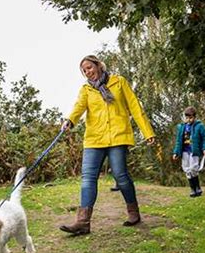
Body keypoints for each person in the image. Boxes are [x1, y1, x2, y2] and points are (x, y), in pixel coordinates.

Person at [59, 55, 156, 236]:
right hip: (94, 139)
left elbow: (135, 107)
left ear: (98, 65)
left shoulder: (119, 82)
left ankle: (133, 212)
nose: (87, 72)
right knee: (88, 178)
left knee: (120, 175)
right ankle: (83, 222)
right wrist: (70, 121)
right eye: (84, 70)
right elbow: (78, 107)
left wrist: (147, 131)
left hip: (118, 137)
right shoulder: (86, 89)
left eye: (89, 67)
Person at [172, 106, 205, 197]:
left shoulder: (199, 126)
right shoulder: (182, 127)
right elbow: (178, 141)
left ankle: (198, 187)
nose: (189, 120)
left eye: (191, 118)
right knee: (187, 169)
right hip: (185, 151)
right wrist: (176, 152)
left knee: (193, 168)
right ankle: (193, 189)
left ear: (194, 117)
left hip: (194, 151)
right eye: (187, 118)